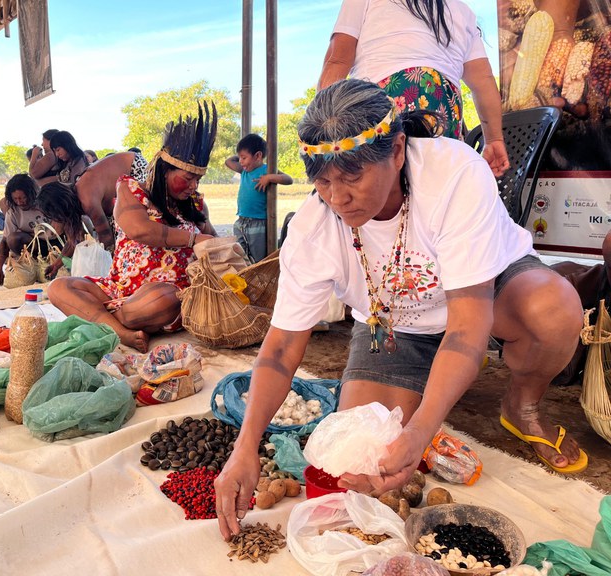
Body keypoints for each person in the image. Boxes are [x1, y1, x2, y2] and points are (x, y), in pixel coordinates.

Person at [214, 79, 587, 539]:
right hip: (392, 326)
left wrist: (422, 431)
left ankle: (521, 403)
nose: (337, 197)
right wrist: (245, 444)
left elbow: (468, 326)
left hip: (488, 297)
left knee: (554, 310)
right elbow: (281, 347)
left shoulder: (453, 175)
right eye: (323, 180)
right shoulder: (314, 229)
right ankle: (427, 387)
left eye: (352, 177)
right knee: (361, 462)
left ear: (396, 151)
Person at [48, 102, 219, 353]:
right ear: (164, 170)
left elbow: (213, 243)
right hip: (118, 288)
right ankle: (120, 330)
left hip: (166, 296)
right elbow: (140, 229)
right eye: (188, 178)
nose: (193, 186)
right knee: (58, 288)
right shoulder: (131, 189)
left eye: (198, 179)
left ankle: (106, 319)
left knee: (160, 300)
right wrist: (193, 239)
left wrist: (219, 246)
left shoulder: (195, 204)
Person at [318, 0, 509, 177]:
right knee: (437, 195)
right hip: (444, 114)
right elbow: (483, 81)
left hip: (384, 105)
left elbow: (337, 61)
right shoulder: (463, 12)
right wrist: (493, 140)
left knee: (379, 199)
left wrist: (321, 130)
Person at [225, 133, 293, 263]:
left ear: (258, 156)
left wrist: (269, 177)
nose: (240, 161)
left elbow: (288, 179)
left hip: (258, 222)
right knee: (240, 253)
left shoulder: (266, 169)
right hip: (241, 220)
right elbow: (228, 162)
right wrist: (241, 154)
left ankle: (258, 278)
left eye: (244, 157)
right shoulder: (244, 170)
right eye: (239, 158)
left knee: (258, 257)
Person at [73, 148, 149, 251]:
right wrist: (56, 265)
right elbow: (74, 240)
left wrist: (105, 259)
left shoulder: (87, 201)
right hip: (127, 169)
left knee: (127, 225)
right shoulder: (80, 194)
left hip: (134, 166)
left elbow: (106, 236)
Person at [0, 174, 50, 285]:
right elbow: (4, 241)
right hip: (34, 247)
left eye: (23, 197)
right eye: (16, 199)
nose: (20, 202)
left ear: (32, 194)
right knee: (12, 238)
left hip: (54, 243)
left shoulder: (47, 202)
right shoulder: (13, 211)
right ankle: (33, 265)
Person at [34, 182, 86, 280]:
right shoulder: (70, 212)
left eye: (54, 215)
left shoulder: (86, 201)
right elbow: (72, 243)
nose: (55, 220)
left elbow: (105, 238)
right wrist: (56, 265)